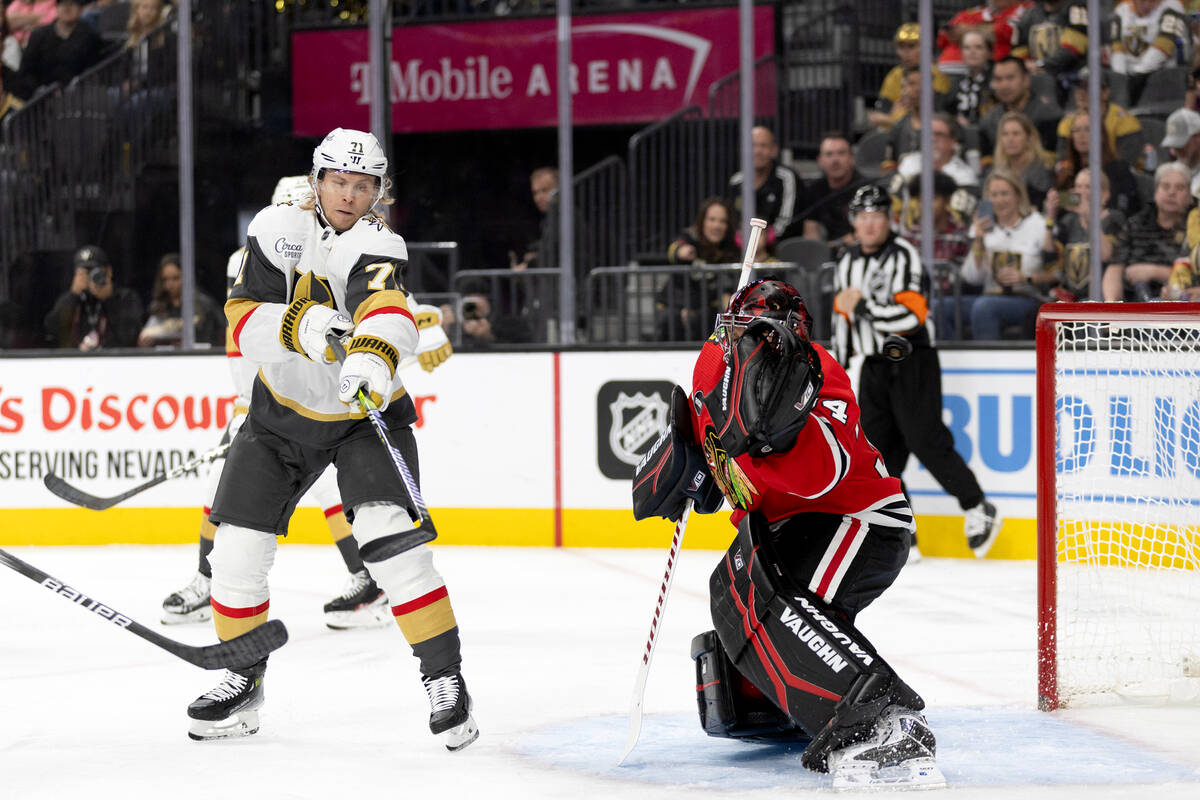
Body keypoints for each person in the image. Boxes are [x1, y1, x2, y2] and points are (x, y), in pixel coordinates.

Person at [184, 128, 478, 752]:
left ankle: (446, 680)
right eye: (338, 181)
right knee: (234, 554)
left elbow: (386, 307)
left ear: (378, 192)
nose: (349, 194)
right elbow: (245, 321)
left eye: (363, 184)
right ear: (317, 181)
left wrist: (370, 360)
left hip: (359, 416)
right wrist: (308, 327)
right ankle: (242, 677)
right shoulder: (274, 229)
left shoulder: (379, 242)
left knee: (391, 547)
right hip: (278, 416)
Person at [631, 279, 945, 790]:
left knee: (762, 598)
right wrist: (688, 467)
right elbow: (715, 456)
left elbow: (825, 474)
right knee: (732, 603)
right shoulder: (711, 370)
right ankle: (809, 707)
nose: (759, 335)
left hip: (858, 520)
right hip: (786, 527)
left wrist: (768, 437)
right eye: (749, 320)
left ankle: (882, 721)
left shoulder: (817, 369)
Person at [159, 175, 448, 632]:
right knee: (227, 496)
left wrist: (426, 322)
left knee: (342, 498)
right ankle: (207, 579)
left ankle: (367, 580)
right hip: (272, 404)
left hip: (329, 405)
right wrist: (244, 406)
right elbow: (250, 334)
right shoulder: (264, 250)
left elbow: (384, 295)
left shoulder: (345, 243)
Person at [833, 184, 1002, 558]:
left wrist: (865, 309)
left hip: (911, 359)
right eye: (862, 217)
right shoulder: (846, 262)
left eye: (876, 216)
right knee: (877, 454)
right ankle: (902, 533)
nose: (869, 224)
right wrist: (841, 364)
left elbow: (913, 315)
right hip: (875, 365)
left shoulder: (904, 256)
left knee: (925, 439)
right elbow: (842, 317)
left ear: (888, 219)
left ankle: (978, 506)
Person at [957, 171, 1052, 340]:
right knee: (940, 308)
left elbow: (1055, 274)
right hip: (989, 295)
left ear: (1018, 196)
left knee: (984, 307)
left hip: (1027, 298)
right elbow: (972, 279)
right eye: (993, 195)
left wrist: (1026, 277)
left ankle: (988, 364)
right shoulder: (982, 227)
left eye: (1004, 194)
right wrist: (978, 240)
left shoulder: (1038, 224)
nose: (999, 200)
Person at [657, 196, 740, 341]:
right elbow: (674, 248)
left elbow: (728, 287)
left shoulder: (731, 249)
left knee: (710, 319)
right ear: (702, 221)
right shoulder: (690, 238)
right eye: (712, 219)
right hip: (675, 304)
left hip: (706, 310)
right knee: (669, 320)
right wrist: (681, 251)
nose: (717, 226)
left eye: (723, 221)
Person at [1106, 161, 1193, 300]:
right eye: (1165, 186)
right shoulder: (1136, 223)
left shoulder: (1196, 225)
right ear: (1156, 191)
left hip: (1182, 307)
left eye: (1180, 187)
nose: (1171, 192)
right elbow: (1115, 268)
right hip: (1133, 306)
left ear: (1190, 195)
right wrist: (1111, 304)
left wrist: (1154, 272)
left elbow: (1195, 277)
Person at [1043, 168, 1126, 301]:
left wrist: (1089, 216)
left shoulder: (1115, 219)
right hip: (1071, 298)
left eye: (1088, 187)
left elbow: (1107, 255)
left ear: (1105, 195)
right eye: (1078, 186)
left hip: (1101, 298)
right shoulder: (1069, 220)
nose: (1081, 191)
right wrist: (1050, 218)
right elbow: (1049, 253)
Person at [44, 244, 144, 349]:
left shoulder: (126, 298)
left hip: (114, 360)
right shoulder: (72, 301)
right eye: (84, 273)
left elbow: (129, 335)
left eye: (94, 271)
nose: (90, 277)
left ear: (109, 271)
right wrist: (73, 295)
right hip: (77, 360)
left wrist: (109, 299)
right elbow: (51, 331)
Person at [1055, 111, 1142, 216]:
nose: (1081, 135)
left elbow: (1120, 207)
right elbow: (1058, 204)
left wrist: (1076, 199)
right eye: (1076, 130)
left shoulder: (1118, 170)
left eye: (1088, 130)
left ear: (1101, 136)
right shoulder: (1067, 171)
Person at [792, 130, 868, 249]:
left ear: (852, 158)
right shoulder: (814, 191)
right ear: (820, 160)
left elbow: (870, 232)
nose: (835, 160)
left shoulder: (866, 189)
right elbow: (811, 236)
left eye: (841, 153)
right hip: (828, 256)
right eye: (829, 154)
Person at [868, 23, 952, 130]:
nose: (906, 53)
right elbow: (879, 114)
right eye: (901, 47)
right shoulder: (894, 75)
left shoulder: (936, 74)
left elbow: (936, 112)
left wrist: (891, 118)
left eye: (911, 46)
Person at [13, 0, 101, 101]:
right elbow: (26, 71)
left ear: (80, 9)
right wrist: (40, 90)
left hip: (77, 97)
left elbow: (93, 70)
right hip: (40, 98)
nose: (67, 8)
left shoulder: (90, 36)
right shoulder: (39, 35)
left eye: (72, 4)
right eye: (63, 4)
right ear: (56, 8)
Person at [726, 125, 801, 244]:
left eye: (763, 146)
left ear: (774, 150)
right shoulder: (736, 181)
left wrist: (761, 241)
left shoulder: (786, 178)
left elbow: (787, 221)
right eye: (753, 145)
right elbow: (731, 219)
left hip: (778, 249)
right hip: (741, 249)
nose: (757, 151)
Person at [1054, 71, 1144, 168]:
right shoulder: (1068, 123)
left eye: (1088, 88)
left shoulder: (1125, 122)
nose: (1081, 93)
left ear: (1105, 93)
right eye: (1078, 87)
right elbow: (1063, 160)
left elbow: (1126, 162)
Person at [978, 56, 1061, 160]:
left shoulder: (1048, 116)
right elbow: (986, 165)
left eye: (1010, 78)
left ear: (1026, 80)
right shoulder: (987, 122)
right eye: (998, 79)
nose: (1004, 85)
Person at [137, 252, 225, 348]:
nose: (170, 285)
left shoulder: (203, 304)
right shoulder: (159, 306)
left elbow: (211, 333)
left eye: (175, 278)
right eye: (165, 279)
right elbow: (145, 335)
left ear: (187, 277)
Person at [1111, 0, 1191, 105]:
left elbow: (1164, 47)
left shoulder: (1173, 6)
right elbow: (1117, 49)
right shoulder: (1121, 10)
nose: (1146, 4)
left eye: (1151, 1)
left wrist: (1137, 74)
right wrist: (1120, 77)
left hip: (1163, 74)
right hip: (1128, 76)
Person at [937, 0, 1032, 76]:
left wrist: (970, 30)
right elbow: (943, 37)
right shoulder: (973, 12)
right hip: (947, 68)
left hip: (995, 70)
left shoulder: (1027, 9)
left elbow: (1010, 33)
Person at [894, 113, 981, 192]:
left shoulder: (963, 175)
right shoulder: (908, 164)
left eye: (939, 134)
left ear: (952, 142)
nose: (932, 139)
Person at [987, 111, 1056, 207]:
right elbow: (985, 206)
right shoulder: (994, 172)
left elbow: (1048, 204)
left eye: (1016, 134)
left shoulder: (1042, 172)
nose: (1010, 139)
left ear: (1028, 139)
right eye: (1005, 134)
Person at [1012, 0, 1088, 81]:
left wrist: (1042, 64)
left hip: (1072, 77)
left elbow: (1073, 47)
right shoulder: (1028, 14)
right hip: (1037, 76)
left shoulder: (1077, 8)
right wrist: (1025, 65)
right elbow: (1018, 52)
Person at [511, 166, 557, 272]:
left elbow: (553, 252)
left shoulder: (563, 216)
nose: (538, 198)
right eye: (535, 193)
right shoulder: (549, 218)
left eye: (545, 190)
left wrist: (529, 265)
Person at [950, 28, 996, 128]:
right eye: (967, 48)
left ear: (989, 52)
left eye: (978, 47)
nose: (972, 52)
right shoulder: (955, 82)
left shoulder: (998, 79)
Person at [1161, 107, 1200, 193]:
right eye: (1172, 146)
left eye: (1180, 145)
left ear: (1198, 137)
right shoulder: (1172, 173)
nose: (1173, 152)